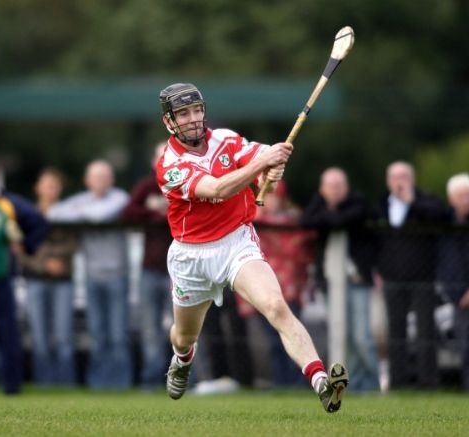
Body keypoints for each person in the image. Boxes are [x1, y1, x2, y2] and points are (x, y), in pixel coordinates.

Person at [155, 83, 348, 412]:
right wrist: (261, 166)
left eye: (197, 110)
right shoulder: (169, 165)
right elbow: (219, 188)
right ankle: (182, 359)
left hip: (236, 243)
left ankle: (321, 383)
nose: (193, 118)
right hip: (191, 256)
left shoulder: (226, 140)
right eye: (184, 114)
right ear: (169, 122)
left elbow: (261, 166)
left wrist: (270, 170)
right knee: (184, 336)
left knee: (276, 307)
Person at [48, 160, 132, 389]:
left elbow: (99, 216)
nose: (100, 181)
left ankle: (120, 384)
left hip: (117, 276)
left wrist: (79, 213)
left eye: (104, 177)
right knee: (97, 334)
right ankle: (98, 385)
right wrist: (84, 212)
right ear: (87, 181)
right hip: (92, 277)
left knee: (118, 334)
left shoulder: (120, 198)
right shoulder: (82, 200)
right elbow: (55, 212)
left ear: (111, 180)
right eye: (96, 177)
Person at [0, 156, 47, 394]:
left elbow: (39, 223)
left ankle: (11, 386)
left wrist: (25, 245)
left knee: (7, 333)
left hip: (2, 279)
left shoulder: (9, 203)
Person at [301, 168, 380, 391]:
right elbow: (306, 221)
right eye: (330, 186)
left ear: (347, 187)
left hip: (358, 279)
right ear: (322, 189)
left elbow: (343, 220)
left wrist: (328, 214)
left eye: (339, 186)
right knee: (340, 334)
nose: (335, 190)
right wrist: (329, 212)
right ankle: (352, 385)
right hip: (330, 281)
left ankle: (372, 386)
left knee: (361, 336)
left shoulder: (358, 202)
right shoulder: (318, 203)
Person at [377, 161, 443, 388]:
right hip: (392, 277)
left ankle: (428, 382)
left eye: (404, 176)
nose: (399, 181)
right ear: (388, 181)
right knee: (396, 332)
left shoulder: (426, 201)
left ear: (412, 179)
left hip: (422, 277)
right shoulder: (381, 205)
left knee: (426, 330)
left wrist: (411, 201)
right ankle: (398, 382)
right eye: (395, 177)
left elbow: (439, 216)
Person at [252, 180, 313, 387]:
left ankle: (299, 381)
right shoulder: (256, 219)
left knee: (293, 334)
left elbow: (301, 250)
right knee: (273, 340)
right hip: (263, 289)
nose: (271, 200)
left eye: (274, 196)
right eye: (267, 195)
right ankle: (281, 382)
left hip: (290, 288)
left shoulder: (294, 221)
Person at [20, 168, 78, 385]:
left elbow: (74, 244)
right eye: (46, 185)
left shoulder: (69, 214)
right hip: (35, 280)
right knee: (39, 336)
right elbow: (21, 249)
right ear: (38, 188)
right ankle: (43, 383)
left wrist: (53, 258)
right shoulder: (27, 215)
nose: (50, 190)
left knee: (64, 335)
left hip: (63, 281)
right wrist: (45, 263)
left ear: (60, 189)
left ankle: (65, 383)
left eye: (54, 186)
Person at [123, 142, 173, 389]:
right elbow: (128, 212)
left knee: (185, 329)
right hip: (150, 269)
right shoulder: (147, 187)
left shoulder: (188, 182)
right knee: (150, 329)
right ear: (154, 162)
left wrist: (162, 213)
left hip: (181, 271)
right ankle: (152, 380)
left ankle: (186, 379)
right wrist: (156, 213)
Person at [436, 173, 469, 392]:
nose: (465, 200)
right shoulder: (444, 227)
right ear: (451, 199)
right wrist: (459, 294)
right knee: (465, 348)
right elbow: (447, 267)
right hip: (459, 299)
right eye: (461, 196)